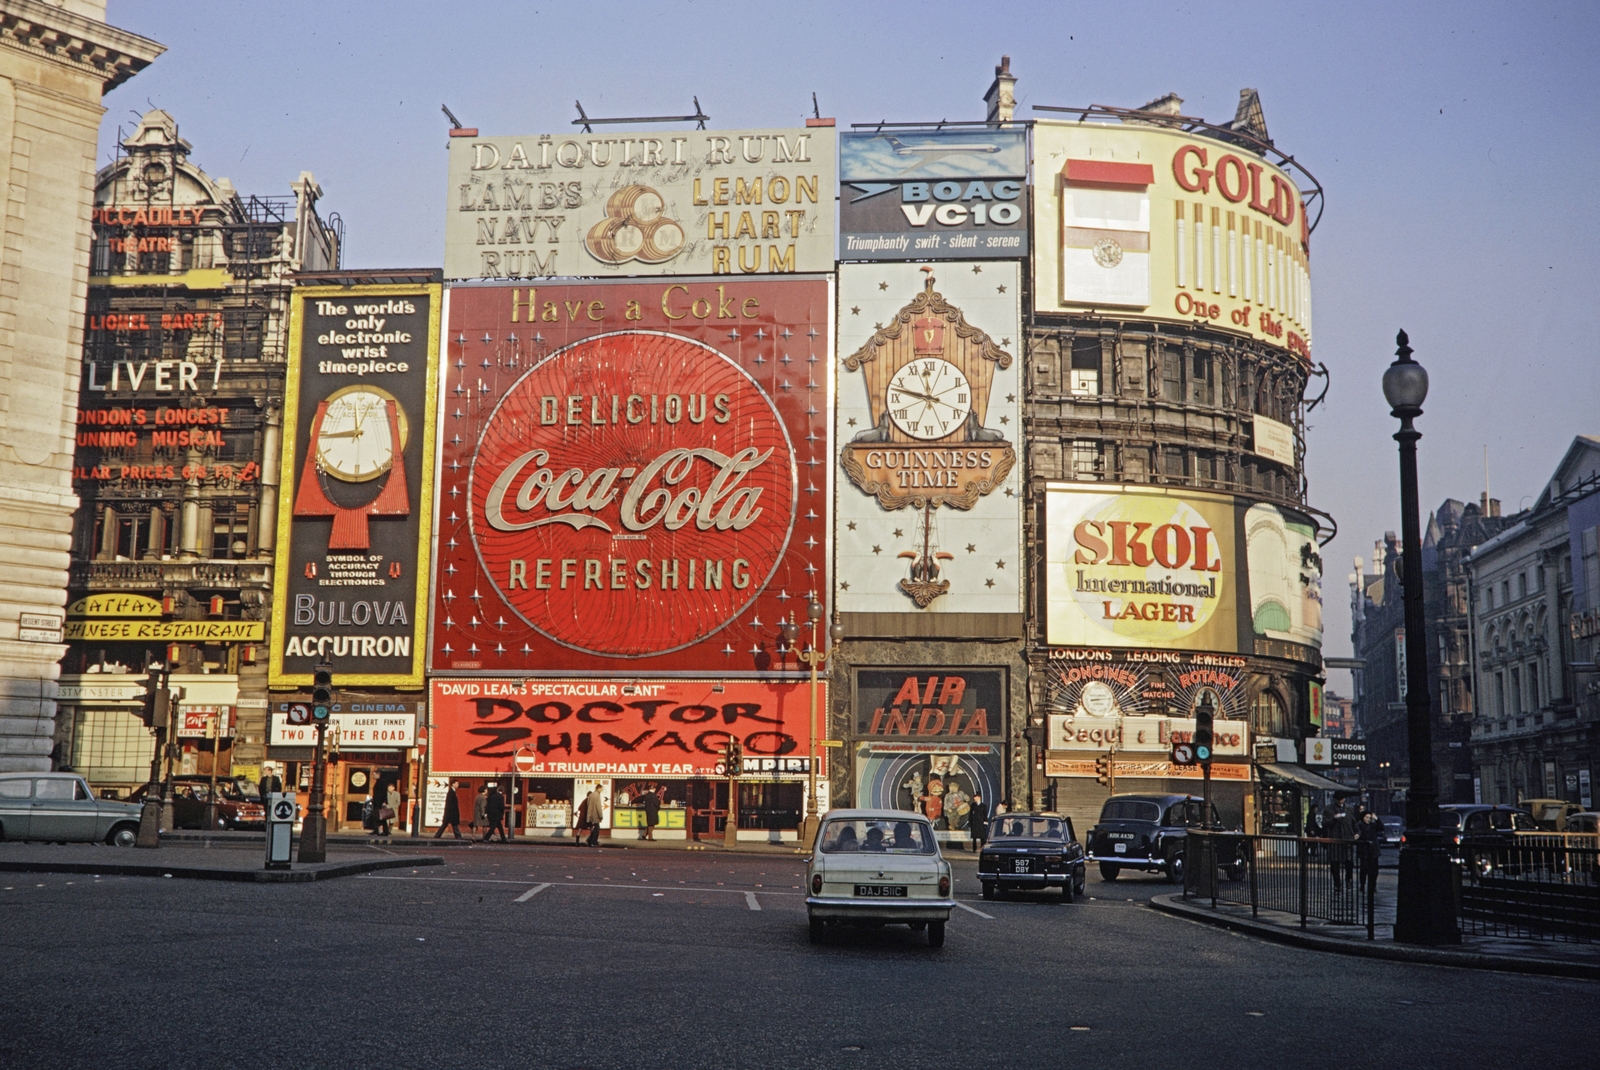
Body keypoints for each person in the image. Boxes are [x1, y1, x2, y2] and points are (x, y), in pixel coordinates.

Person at [1325, 802, 1357, 890]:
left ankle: (1348, 881)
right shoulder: (1329, 809)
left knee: (1349, 862)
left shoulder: (1349, 808)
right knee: (1335, 863)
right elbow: (1325, 823)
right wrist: (1334, 818)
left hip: (1347, 839)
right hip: (1335, 840)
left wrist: (1357, 833)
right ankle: (1337, 883)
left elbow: (1354, 823)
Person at [1356, 809, 1383, 904]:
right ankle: (1362, 885)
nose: (1368, 819)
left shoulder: (1373, 825)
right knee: (1364, 869)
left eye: (1369, 818)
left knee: (1374, 870)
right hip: (1364, 850)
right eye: (1366, 817)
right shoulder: (1359, 825)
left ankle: (1373, 885)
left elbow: (1381, 827)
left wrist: (1376, 819)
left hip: (1373, 850)